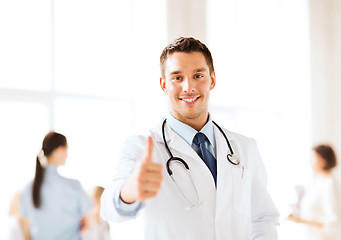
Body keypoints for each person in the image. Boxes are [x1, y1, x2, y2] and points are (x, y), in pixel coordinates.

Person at [101, 37, 279, 239]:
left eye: (198, 75)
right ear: (164, 84)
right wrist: (128, 192)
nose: (188, 87)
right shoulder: (141, 147)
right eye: (177, 77)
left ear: (212, 80)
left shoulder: (245, 147)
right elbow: (109, 209)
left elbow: (264, 217)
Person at [21, 131, 92, 239]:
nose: (67, 155)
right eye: (66, 150)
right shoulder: (73, 186)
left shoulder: (28, 188)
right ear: (59, 150)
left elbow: (25, 226)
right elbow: (89, 221)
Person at [288, 144, 341, 239]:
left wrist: (302, 221)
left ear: (323, 161)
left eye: (313, 158)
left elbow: (333, 221)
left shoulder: (330, 184)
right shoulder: (317, 182)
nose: (309, 161)